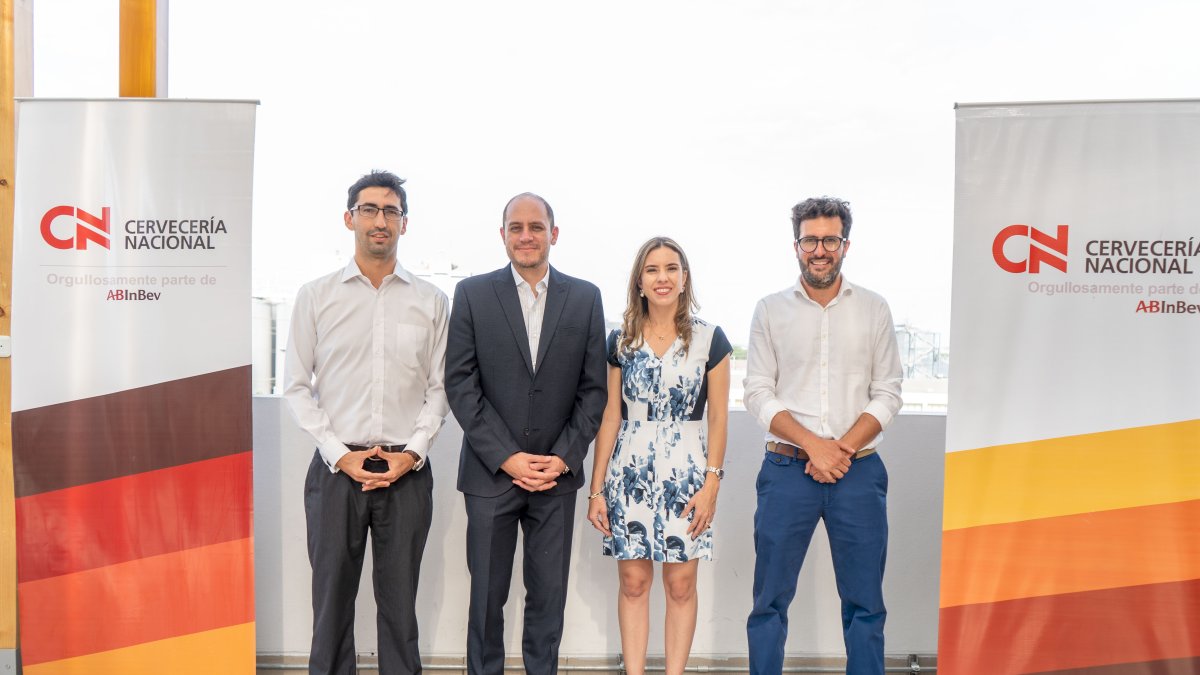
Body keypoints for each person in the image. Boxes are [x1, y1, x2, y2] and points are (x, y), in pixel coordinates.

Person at [283, 170, 449, 675]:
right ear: (349, 217)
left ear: (404, 223)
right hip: (336, 472)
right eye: (371, 209)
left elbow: (440, 389)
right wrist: (340, 454)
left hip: (406, 472)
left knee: (400, 610)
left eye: (391, 211)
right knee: (331, 605)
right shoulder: (316, 296)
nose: (381, 220)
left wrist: (412, 454)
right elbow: (295, 386)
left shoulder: (431, 301)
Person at [445, 192, 608, 675]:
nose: (526, 236)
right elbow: (460, 382)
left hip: (556, 479)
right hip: (490, 476)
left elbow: (593, 390)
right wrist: (507, 457)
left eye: (536, 227)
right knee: (485, 601)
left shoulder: (585, 297)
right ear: (502, 235)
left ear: (553, 234)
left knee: (548, 602)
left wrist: (562, 458)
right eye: (516, 227)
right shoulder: (472, 294)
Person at [743, 197, 902, 675]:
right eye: (810, 239)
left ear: (845, 245)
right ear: (796, 245)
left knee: (865, 603)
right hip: (787, 471)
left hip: (859, 474)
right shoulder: (770, 310)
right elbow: (757, 392)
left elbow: (888, 392)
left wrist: (841, 449)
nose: (820, 249)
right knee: (769, 601)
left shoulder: (874, 309)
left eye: (830, 239)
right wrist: (815, 446)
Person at [586, 237, 731, 675]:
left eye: (671, 268)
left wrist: (712, 484)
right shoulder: (620, 340)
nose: (662, 277)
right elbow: (610, 416)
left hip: (688, 474)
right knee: (633, 582)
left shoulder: (711, 340)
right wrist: (596, 490)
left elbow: (720, 421)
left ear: (684, 279)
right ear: (640, 281)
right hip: (629, 470)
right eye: (652, 269)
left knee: (681, 583)